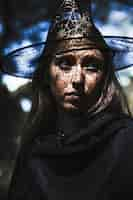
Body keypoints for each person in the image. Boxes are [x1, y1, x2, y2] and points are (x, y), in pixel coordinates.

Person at [7, 0, 133, 199]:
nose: (77, 79)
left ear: (105, 78)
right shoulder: (33, 154)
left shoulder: (127, 140)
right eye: (65, 64)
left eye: (92, 66)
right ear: (47, 75)